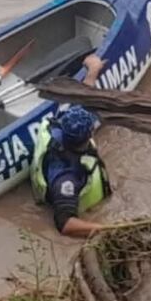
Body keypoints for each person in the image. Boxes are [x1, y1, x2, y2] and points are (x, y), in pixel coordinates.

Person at [30, 55, 112, 238]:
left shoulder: (61, 126)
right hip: (71, 192)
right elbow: (65, 224)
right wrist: (107, 229)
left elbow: (82, 104)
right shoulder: (67, 178)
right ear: (90, 134)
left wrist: (92, 71)